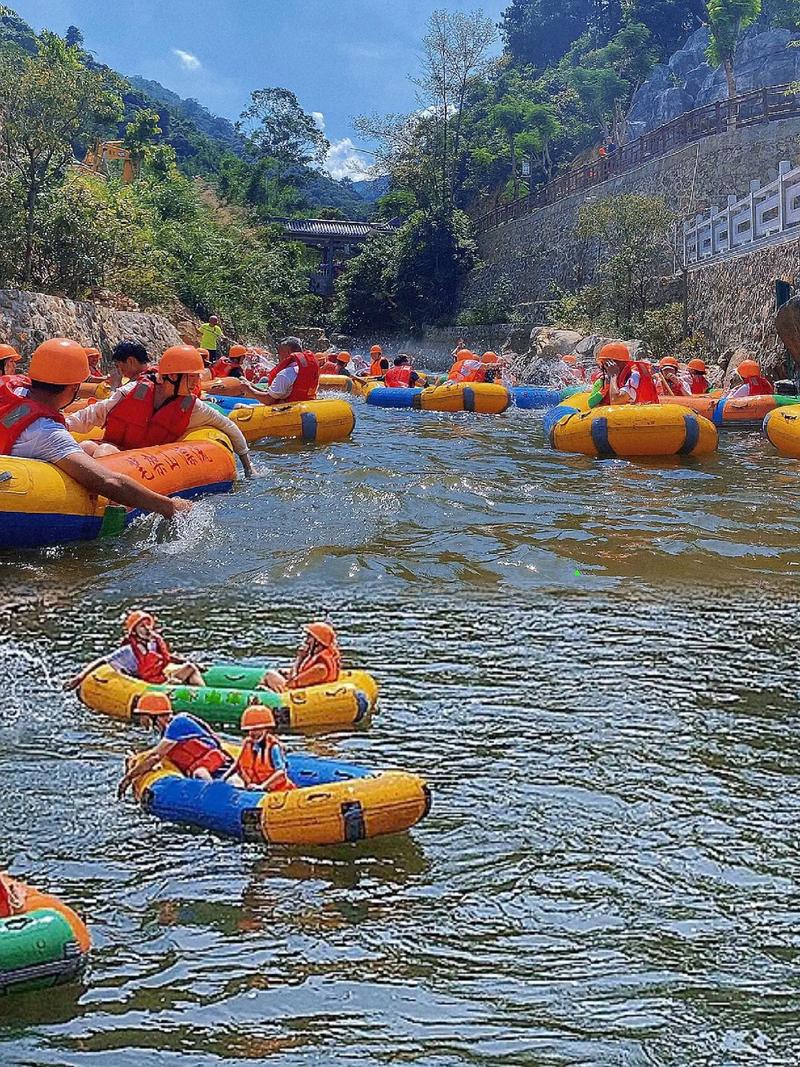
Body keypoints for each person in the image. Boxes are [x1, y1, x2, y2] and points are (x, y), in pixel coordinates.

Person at [0, 337, 191, 520]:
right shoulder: (47, 432)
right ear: (74, 387)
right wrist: (169, 507)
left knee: (86, 447)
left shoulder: (12, 388)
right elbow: (107, 481)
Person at [65, 345, 255, 477]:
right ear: (172, 376)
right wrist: (61, 425)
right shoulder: (132, 391)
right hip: (116, 448)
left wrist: (248, 466)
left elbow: (229, 426)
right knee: (86, 446)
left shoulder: (193, 407)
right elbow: (92, 414)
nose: (197, 384)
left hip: (144, 463)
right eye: (192, 378)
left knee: (103, 451)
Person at [117, 696, 234, 798]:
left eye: (142, 716)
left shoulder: (178, 724)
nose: (141, 721)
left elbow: (155, 756)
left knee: (200, 773)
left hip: (217, 767)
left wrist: (129, 777)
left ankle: (213, 796)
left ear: (153, 716)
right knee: (199, 773)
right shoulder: (167, 732)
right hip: (203, 770)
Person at [64, 609, 206, 690]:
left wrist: (186, 661)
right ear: (134, 631)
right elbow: (102, 661)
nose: (147, 629)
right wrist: (79, 678)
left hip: (161, 678)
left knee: (191, 667)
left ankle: (204, 694)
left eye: (148, 625)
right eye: (142, 627)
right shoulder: (128, 650)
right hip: (147, 685)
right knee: (176, 683)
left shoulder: (153, 643)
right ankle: (197, 699)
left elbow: (168, 657)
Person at [226, 706, 296, 792]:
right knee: (232, 781)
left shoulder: (273, 747)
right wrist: (222, 779)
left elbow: (280, 771)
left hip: (276, 789)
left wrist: (262, 786)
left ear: (266, 729)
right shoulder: (247, 744)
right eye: (251, 730)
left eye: (258, 730)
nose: (254, 733)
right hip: (254, 786)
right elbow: (237, 765)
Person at [262, 621, 342, 693]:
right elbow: (298, 676)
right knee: (279, 673)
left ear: (317, 642)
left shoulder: (320, 669)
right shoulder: (320, 659)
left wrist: (299, 659)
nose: (306, 641)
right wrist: (288, 673)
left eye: (309, 637)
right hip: (299, 689)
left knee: (269, 675)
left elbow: (292, 683)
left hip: (295, 695)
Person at [245, 336, 319, 405]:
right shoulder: (308, 370)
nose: (278, 356)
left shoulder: (286, 373)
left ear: (288, 352)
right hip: (306, 405)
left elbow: (268, 400)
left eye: (279, 353)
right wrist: (253, 387)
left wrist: (247, 389)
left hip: (287, 411)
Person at [588, 342, 659, 407]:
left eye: (608, 363)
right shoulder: (604, 380)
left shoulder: (635, 376)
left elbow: (615, 401)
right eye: (603, 363)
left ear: (622, 363)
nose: (605, 367)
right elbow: (591, 404)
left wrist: (613, 375)